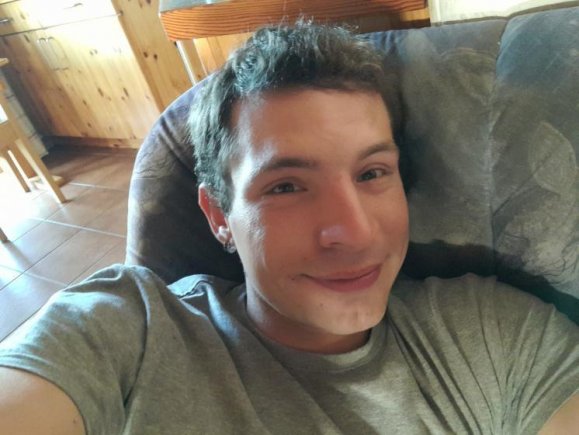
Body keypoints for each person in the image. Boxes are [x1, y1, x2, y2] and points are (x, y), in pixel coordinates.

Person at [0, 22, 578, 435]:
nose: (354, 233)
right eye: (286, 187)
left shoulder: (495, 335)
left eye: (372, 173)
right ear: (219, 216)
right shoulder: (126, 330)